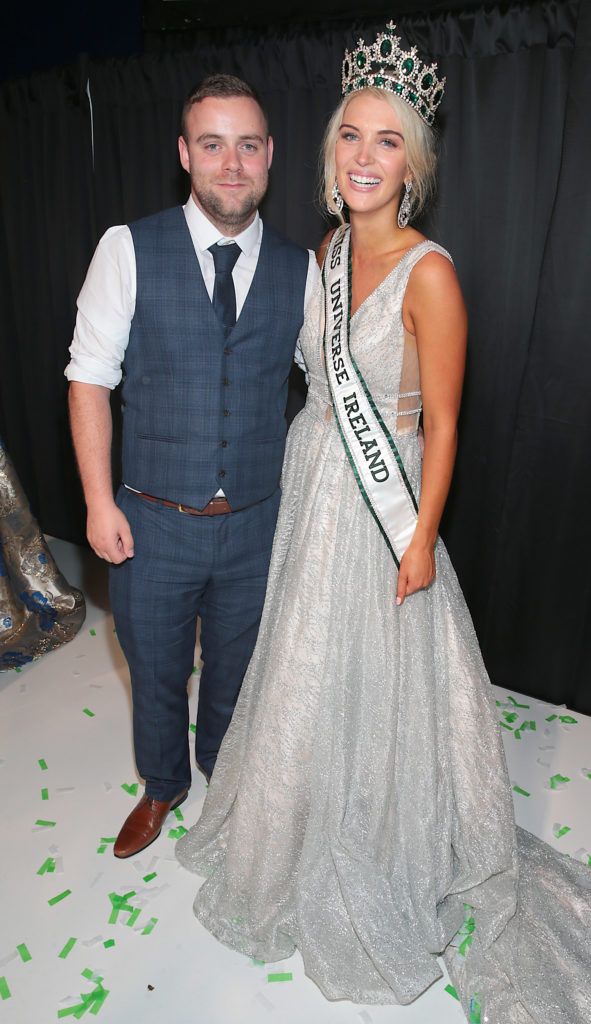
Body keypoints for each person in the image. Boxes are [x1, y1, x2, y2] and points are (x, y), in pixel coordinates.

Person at [175, 25, 591, 1024]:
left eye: (388, 140)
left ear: (416, 160)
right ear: (330, 151)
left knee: (378, 677)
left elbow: (444, 422)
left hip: (383, 498)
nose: (364, 155)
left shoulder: (430, 273)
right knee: (306, 664)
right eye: (351, 135)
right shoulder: (323, 252)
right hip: (315, 480)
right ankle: (294, 817)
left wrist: (418, 537)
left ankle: (382, 837)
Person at [65, 74, 318, 859]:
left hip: (254, 525)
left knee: (240, 671)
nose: (231, 163)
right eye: (212, 144)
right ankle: (163, 785)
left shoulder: (299, 267)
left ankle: (224, 771)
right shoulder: (126, 247)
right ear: (185, 154)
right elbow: (88, 379)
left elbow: (329, 390)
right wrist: (98, 503)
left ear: (270, 155)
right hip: (150, 521)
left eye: (247, 145)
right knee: (156, 670)